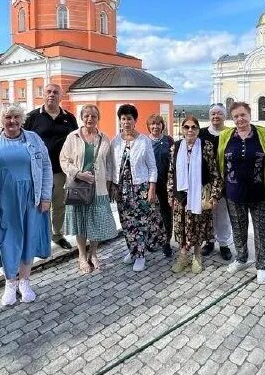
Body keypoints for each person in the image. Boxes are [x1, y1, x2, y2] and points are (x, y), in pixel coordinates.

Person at [0, 104, 52, 306]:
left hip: (32, 198)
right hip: (4, 200)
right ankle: (10, 283)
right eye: (7, 117)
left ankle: (24, 281)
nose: (12, 121)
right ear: (1, 120)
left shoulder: (33, 139)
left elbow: (46, 166)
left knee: (29, 238)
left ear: (22, 119)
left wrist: (46, 196)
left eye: (16, 117)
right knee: (7, 239)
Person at [217, 101, 265, 284]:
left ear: (249, 115)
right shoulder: (226, 136)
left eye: (243, 115)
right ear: (232, 118)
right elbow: (220, 161)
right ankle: (241, 258)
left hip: (259, 193)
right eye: (236, 116)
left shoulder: (263, 135)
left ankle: (262, 266)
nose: (240, 119)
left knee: (262, 231)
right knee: (238, 230)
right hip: (234, 194)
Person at [60, 105, 117, 273]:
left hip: (99, 189)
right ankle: (81, 256)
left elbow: (110, 163)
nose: (90, 119)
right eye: (86, 116)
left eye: (93, 116)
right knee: (80, 223)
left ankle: (93, 254)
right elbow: (64, 160)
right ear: (81, 117)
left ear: (98, 118)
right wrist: (78, 174)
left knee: (96, 222)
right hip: (78, 187)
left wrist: (111, 183)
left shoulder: (104, 138)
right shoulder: (73, 137)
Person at [108, 104, 164, 272]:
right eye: (123, 119)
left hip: (140, 187)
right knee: (126, 222)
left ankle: (140, 255)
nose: (126, 122)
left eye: (129, 119)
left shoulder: (144, 141)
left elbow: (152, 167)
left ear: (135, 120)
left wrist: (152, 189)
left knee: (141, 221)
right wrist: (112, 185)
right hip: (122, 189)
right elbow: (112, 165)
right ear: (120, 121)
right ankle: (134, 251)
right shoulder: (115, 141)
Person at [23, 84, 79, 251]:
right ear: (43, 95)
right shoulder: (32, 117)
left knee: (59, 204)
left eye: (55, 92)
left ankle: (58, 235)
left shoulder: (69, 117)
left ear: (60, 96)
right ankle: (43, 236)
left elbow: (76, 141)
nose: (51, 95)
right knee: (42, 204)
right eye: (48, 91)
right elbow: (22, 141)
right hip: (39, 171)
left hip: (61, 170)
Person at [168, 115, 222, 273]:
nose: (190, 130)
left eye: (193, 127)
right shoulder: (175, 147)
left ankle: (197, 256)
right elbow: (171, 173)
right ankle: (183, 256)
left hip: (200, 194)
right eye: (186, 127)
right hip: (181, 195)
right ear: (182, 129)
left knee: (198, 226)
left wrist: (215, 195)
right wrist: (171, 194)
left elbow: (214, 172)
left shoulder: (206, 146)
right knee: (181, 226)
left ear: (198, 130)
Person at [198, 104, 234, 261]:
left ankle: (224, 244)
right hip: (206, 180)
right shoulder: (202, 133)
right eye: (213, 113)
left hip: (226, 180)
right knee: (208, 212)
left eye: (219, 113)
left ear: (224, 116)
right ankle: (209, 241)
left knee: (223, 214)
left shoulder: (230, 134)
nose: (216, 116)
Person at [147, 113, 174, 257]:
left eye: (158, 124)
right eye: (153, 124)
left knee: (166, 213)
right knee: (150, 213)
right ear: (149, 126)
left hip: (165, 183)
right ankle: (152, 239)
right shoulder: (144, 141)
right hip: (149, 183)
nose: (155, 127)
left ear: (162, 125)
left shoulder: (169, 140)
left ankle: (167, 242)